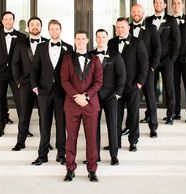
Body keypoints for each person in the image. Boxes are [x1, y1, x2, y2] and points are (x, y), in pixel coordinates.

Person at [61, 31, 103, 182]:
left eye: (83, 39)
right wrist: (76, 97)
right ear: (74, 41)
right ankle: (70, 169)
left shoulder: (95, 59)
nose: (80, 41)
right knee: (71, 138)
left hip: (90, 104)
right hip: (72, 105)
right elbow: (64, 81)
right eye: (77, 39)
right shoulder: (67, 59)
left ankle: (92, 170)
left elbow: (98, 82)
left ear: (87, 41)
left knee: (91, 139)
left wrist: (86, 96)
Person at [30, 19, 73, 166]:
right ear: (48, 31)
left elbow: (72, 73)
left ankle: (61, 154)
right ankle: (42, 155)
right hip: (44, 92)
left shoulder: (69, 48)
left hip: (62, 93)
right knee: (44, 124)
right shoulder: (41, 47)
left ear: (60, 30)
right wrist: (34, 86)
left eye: (57, 29)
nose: (54, 32)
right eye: (52, 29)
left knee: (61, 124)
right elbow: (34, 68)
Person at [108, 18, 148, 152]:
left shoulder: (137, 42)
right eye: (118, 27)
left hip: (132, 86)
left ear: (128, 28)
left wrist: (139, 83)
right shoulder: (111, 43)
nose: (120, 30)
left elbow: (144, 64)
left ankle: (133, 141)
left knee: (133, 115)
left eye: (122, 27)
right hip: (115, 87)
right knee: (116, 115)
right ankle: (116, 142)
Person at [0, 11, 26, 137]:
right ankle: (0, 126)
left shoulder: (21, 37)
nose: (8, 21)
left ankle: (24, 127)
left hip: (16, 74)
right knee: (0, 99)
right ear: (2, 21)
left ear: (14, 21)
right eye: (6, 19)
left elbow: (24, 58)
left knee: (20, 100)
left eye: (10, 19)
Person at [11, 17, 48, 151]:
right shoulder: (21, 43)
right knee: (24, 114)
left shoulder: (47, 43)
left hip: (43, 85)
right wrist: (18, 82)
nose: (35, 26)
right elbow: (15, 64)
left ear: (41, 27)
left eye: (37, 24)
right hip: (25, 84)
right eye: (32, 24)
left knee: (43, 115)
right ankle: (20, 142)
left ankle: (45, 142)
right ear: (28, 27)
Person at [92, 29, 126, 165]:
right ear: (96, 39)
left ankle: (114, 155)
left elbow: (122, 75)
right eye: (98, 37)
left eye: (103, 37)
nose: (101, 40)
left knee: (112, 126)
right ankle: (95, 156)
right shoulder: (90, 55)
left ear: (107, 38)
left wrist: (118, 93)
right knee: (94, 127)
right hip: (94, 97)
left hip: (111, 96)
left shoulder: (115, 55)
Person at [146, 0, 181, 125]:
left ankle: (170, 115)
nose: (158, 4)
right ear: (154, 5)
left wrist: (172, 58)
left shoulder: (172, 20)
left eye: (161, 2)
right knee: (150, 89)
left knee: (169, 88)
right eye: (156, 2)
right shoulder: (148, 20)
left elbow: (177, 41)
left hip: (167, 60)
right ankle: (149, 114)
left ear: (165, 5)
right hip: (151, 62)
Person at [130, 4, 161, 137]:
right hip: (131, 71)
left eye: (138, 11)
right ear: (131, 13)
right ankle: (129, 126)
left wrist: (153, 67)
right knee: (131, 100)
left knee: (150, 98)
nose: (136, 13)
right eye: (134, 11)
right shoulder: (126, 27)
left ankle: (153, 126)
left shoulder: (151, 28)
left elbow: (157, 49)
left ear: (143, 13)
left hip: (147, 70)